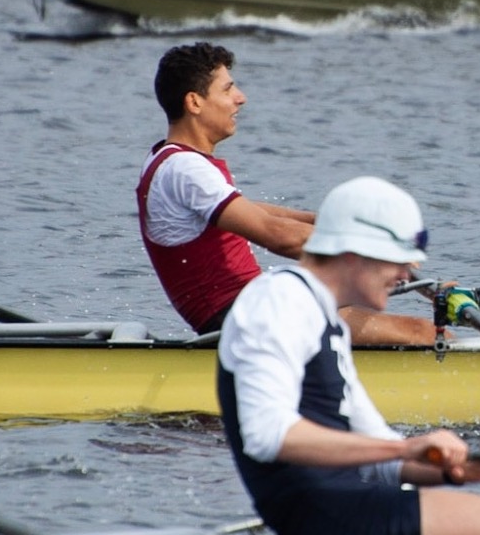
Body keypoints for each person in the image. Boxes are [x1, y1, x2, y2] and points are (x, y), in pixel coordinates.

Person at [218, 176, 480, 535]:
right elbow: (267, 436)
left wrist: (469, 465)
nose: (407, 274)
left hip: (350, 507)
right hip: (328, 517)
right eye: (398, 259)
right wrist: (407, 445)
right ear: (353, 254)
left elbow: (385, 463)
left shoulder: (324, 317)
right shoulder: (278, 302)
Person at [139, 42, 436, 342]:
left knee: (365, 301)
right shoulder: (186, 169)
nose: (241, 98)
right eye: (228, 89)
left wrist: (327, 222)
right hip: (247, 318)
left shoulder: (170, 160)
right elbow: (275, 234)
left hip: (253, 309)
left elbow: (257, 213)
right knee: (420, 332)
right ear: (194, 102)